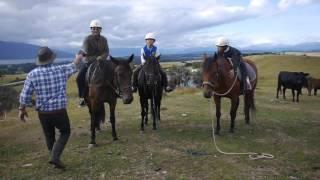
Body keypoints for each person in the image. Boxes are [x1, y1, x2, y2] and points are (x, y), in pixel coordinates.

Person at [19, 46, 83, 169]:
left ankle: (54, 158)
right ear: (51, 59)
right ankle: (55, 157)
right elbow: (74, 65)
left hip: (43, 113)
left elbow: (25, 95)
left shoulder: (32, 74)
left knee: (49, 135)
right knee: (65, 132)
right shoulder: (60, 70)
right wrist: (78, 57)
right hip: (59, 111)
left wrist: (22, 109)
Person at [76, 19, 109, 106]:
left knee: (115, 71)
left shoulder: (104, 40)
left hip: (102, 61)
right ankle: (82, 97)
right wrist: (96, 58)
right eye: (93, 28)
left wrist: (101, 57)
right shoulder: (87, 39)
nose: (95, 30)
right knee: (79, 78)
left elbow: (106, 51)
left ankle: (116, 92)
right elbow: (86, 54)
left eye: (97, 28)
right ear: (91, 29)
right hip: (89, 63)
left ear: (100, 30)